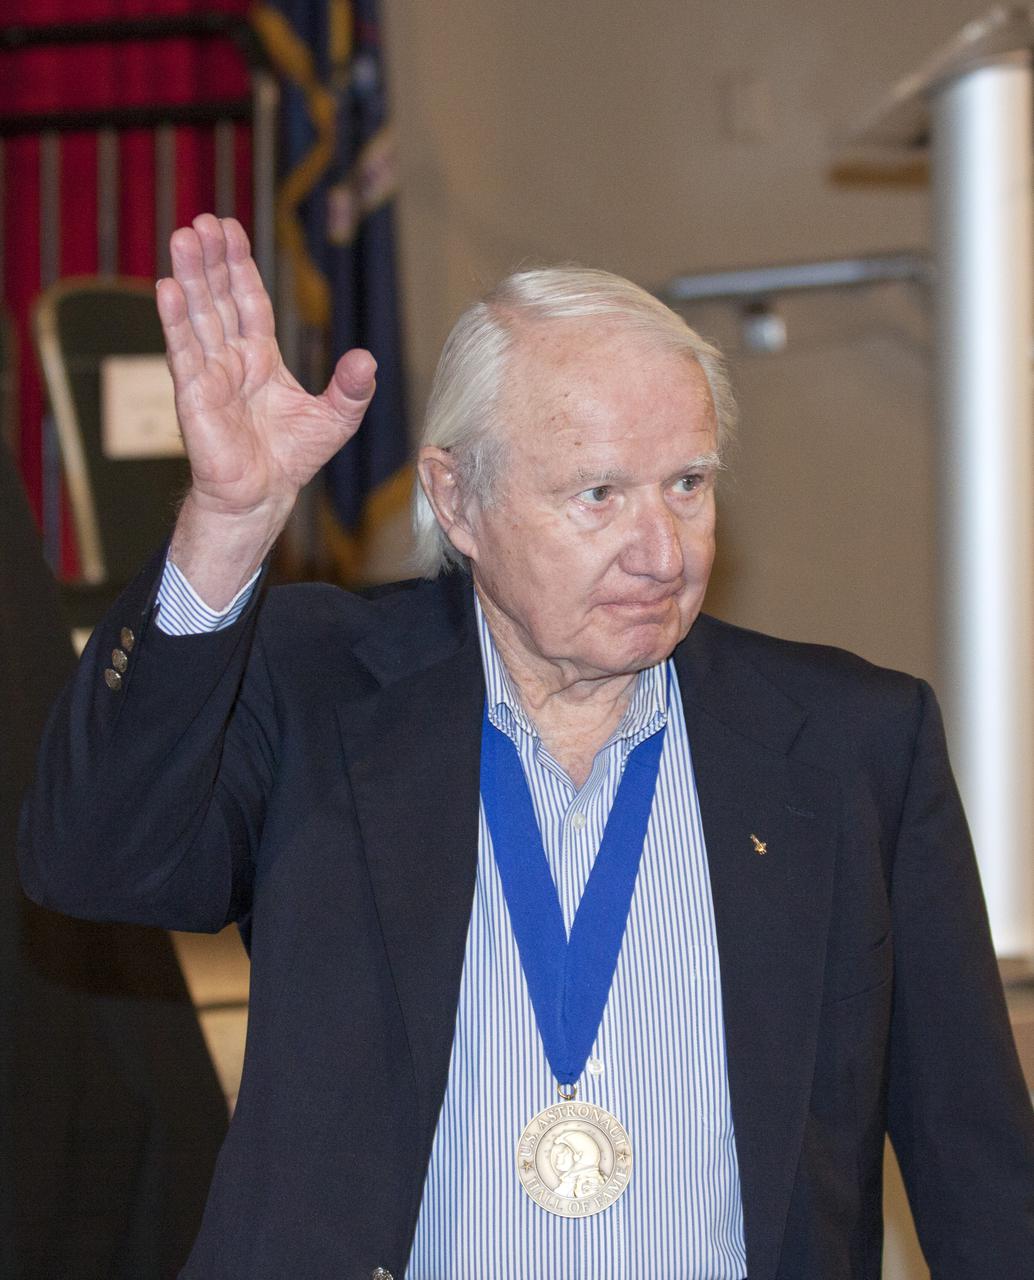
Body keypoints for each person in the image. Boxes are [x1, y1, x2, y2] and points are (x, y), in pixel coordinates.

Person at [20, 214, 1034, 1280]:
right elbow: (95, 860)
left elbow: (974, 1157)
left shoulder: (850, 742)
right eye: (596, 493)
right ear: (456, 497)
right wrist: (230, 520)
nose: (659, 550)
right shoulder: (317, 687)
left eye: (686, 484)